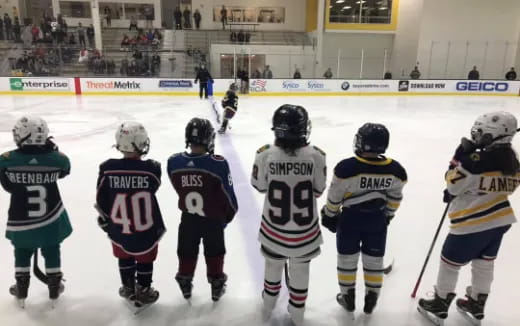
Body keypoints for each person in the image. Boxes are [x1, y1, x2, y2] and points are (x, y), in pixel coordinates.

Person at [418, 112, 519, 324]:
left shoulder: (475, 162)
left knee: (449, 263)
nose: (476, 134)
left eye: (481, 132)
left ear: (493, 135)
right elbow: (506, 188)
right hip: (500, 221)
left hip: (470, 223)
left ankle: (440, 303)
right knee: (484, 263)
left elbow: (452, 183)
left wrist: (458, 158)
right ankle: (476, 303)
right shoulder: (513, 161)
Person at [251, 105, 327, 326]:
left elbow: (260, 186)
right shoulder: (317, 156)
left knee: (272, 267)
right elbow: (318, 191)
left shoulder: (264, 153)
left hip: (273, 231)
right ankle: (297, 313)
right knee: (301, 271)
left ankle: (268, 305)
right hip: (305, 233)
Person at [321, 123, 407, 315]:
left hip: (350, 220)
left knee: (346, 259)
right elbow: (395, 198)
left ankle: (347, 295)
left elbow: (335, 196)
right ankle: (372, 296)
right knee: (374, 260)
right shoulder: (396, 171)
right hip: (376, 221)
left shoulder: (347, 168)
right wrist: (387, 216)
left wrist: (330, 214)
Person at [0, 116, 72, 307]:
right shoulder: (57, 160)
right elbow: (65, 169)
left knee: (22, 250)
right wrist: (49, 151)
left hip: (20, 217)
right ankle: (54, 285)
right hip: (50, 216)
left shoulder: (6, 160)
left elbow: (7, 185)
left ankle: (22, 285)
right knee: (52, 247)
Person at [96, 122, 165, 309]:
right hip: (145, 230)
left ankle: (127, 286)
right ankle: (143, 289)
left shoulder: (107, 168)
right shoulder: (152, 169)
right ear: (140, 143)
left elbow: (101, 198)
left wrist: (104, 220)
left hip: (119, 229)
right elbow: (154, 186)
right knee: (145, 259)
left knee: (124, 256)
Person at [167, 118, 237, 301]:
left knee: (186, 250)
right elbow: (229, 197)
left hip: (188, 219)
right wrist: (226, 217)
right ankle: (216, 283)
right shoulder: (218, 163)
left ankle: (184, 280)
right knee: (215, 251)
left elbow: (178, 187)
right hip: (213, 219)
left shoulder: (174, 162)